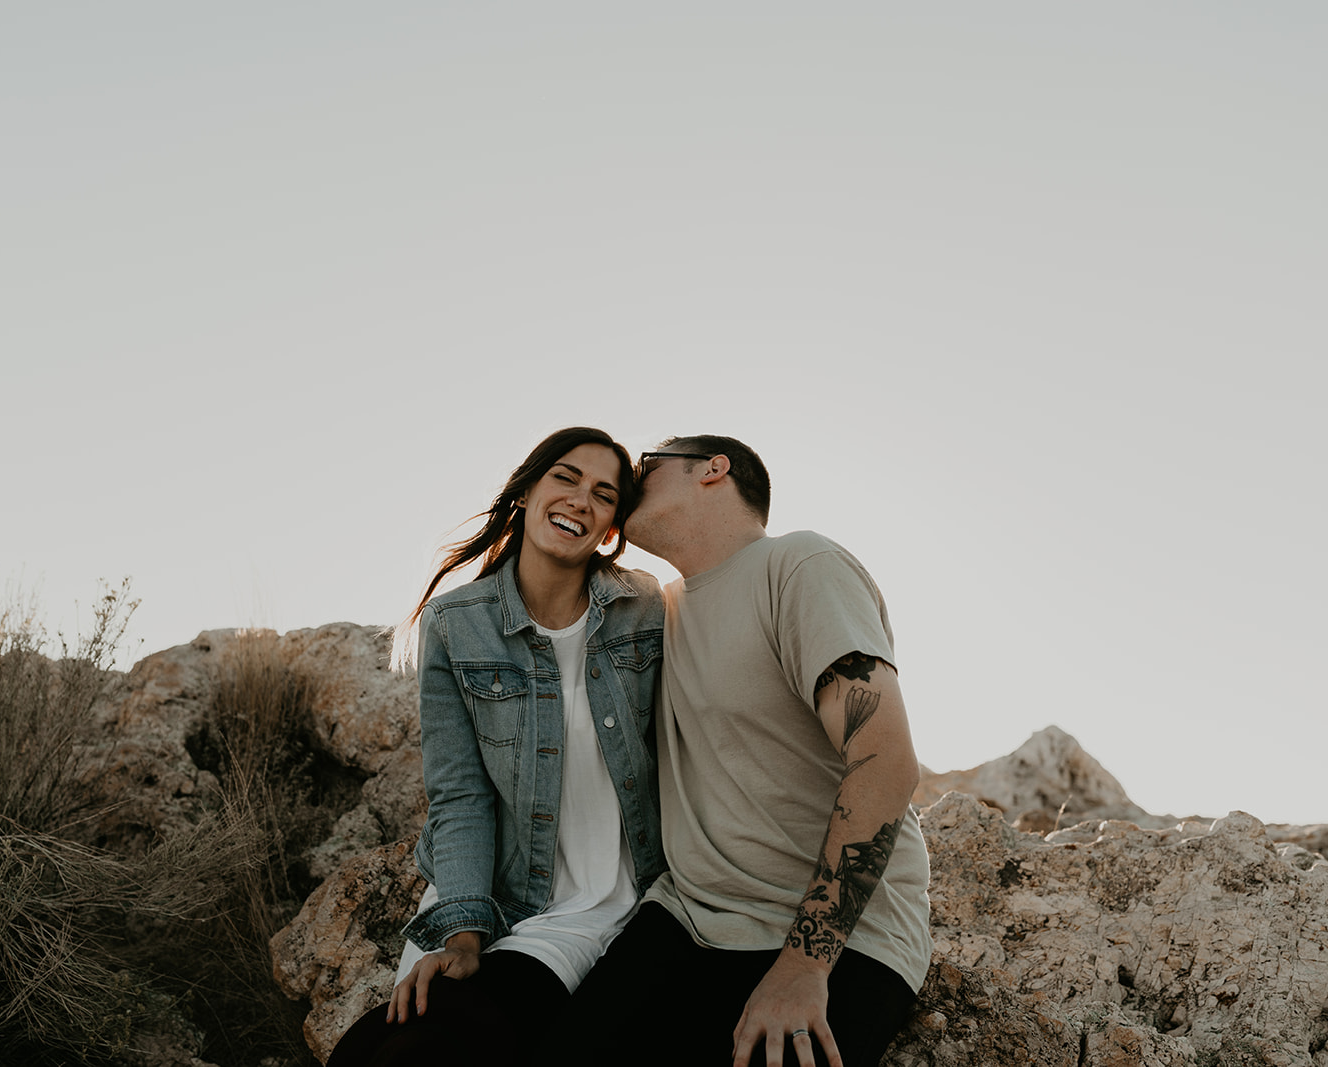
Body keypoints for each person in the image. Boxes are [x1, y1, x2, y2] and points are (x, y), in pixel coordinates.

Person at [559, 435, 932, 1067]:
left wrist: (804, 966)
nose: (627, 479)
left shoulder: (799, 564)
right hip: (686, 920)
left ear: (712, 468)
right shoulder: (652, 612)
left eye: (646, 464)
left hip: (838, 938)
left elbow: (886, 761)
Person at [327, 427, 667, 1067]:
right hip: (499, 890)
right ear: (527, 489)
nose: (578, 500)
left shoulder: (645, 609)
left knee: (440, 1048)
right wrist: (462, 932)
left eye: (603, 494)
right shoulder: (457, 623)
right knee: (375, 1046)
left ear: (613, 528)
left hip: (608, 898)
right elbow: (459, 795)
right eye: (564, 477)